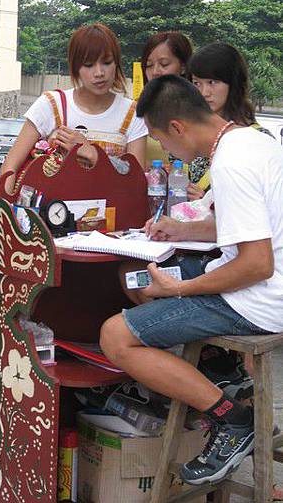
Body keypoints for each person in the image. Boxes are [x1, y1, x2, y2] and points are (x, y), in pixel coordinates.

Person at [100, 75, 283, 485]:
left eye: (162, 140)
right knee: (135, 279)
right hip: (254, 281)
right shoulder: (252, 141)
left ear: (178, 127)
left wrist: (179, 290)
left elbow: (256, 264)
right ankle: (222, 371)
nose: (164, 150)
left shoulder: (231, 163)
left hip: (260, 297)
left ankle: (232, 420)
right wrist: (186, 231)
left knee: (115, 336)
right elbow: (249, 226)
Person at [0, 23, 148, 192]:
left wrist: (91, 153)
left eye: (107, 62)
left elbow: (137, 182)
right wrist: (6, 210)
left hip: (112, 215)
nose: (99, 72)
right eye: (89, 64)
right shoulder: (51, 105)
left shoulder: (133, 113)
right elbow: (10, 166)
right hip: (51, 216)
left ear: (117, 63)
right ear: (75, 67)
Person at [186, 42, 272, 201]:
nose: (204, 92)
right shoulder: (188, 133)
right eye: (197, 83)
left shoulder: (257, 138)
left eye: (212, 82)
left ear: (234, 83)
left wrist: (207, 203)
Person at [139, 31, 193, 166]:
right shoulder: (137, 112)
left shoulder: (199, 112)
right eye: (149, 65)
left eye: (164, 64)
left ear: (183, 67)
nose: (155, 72)